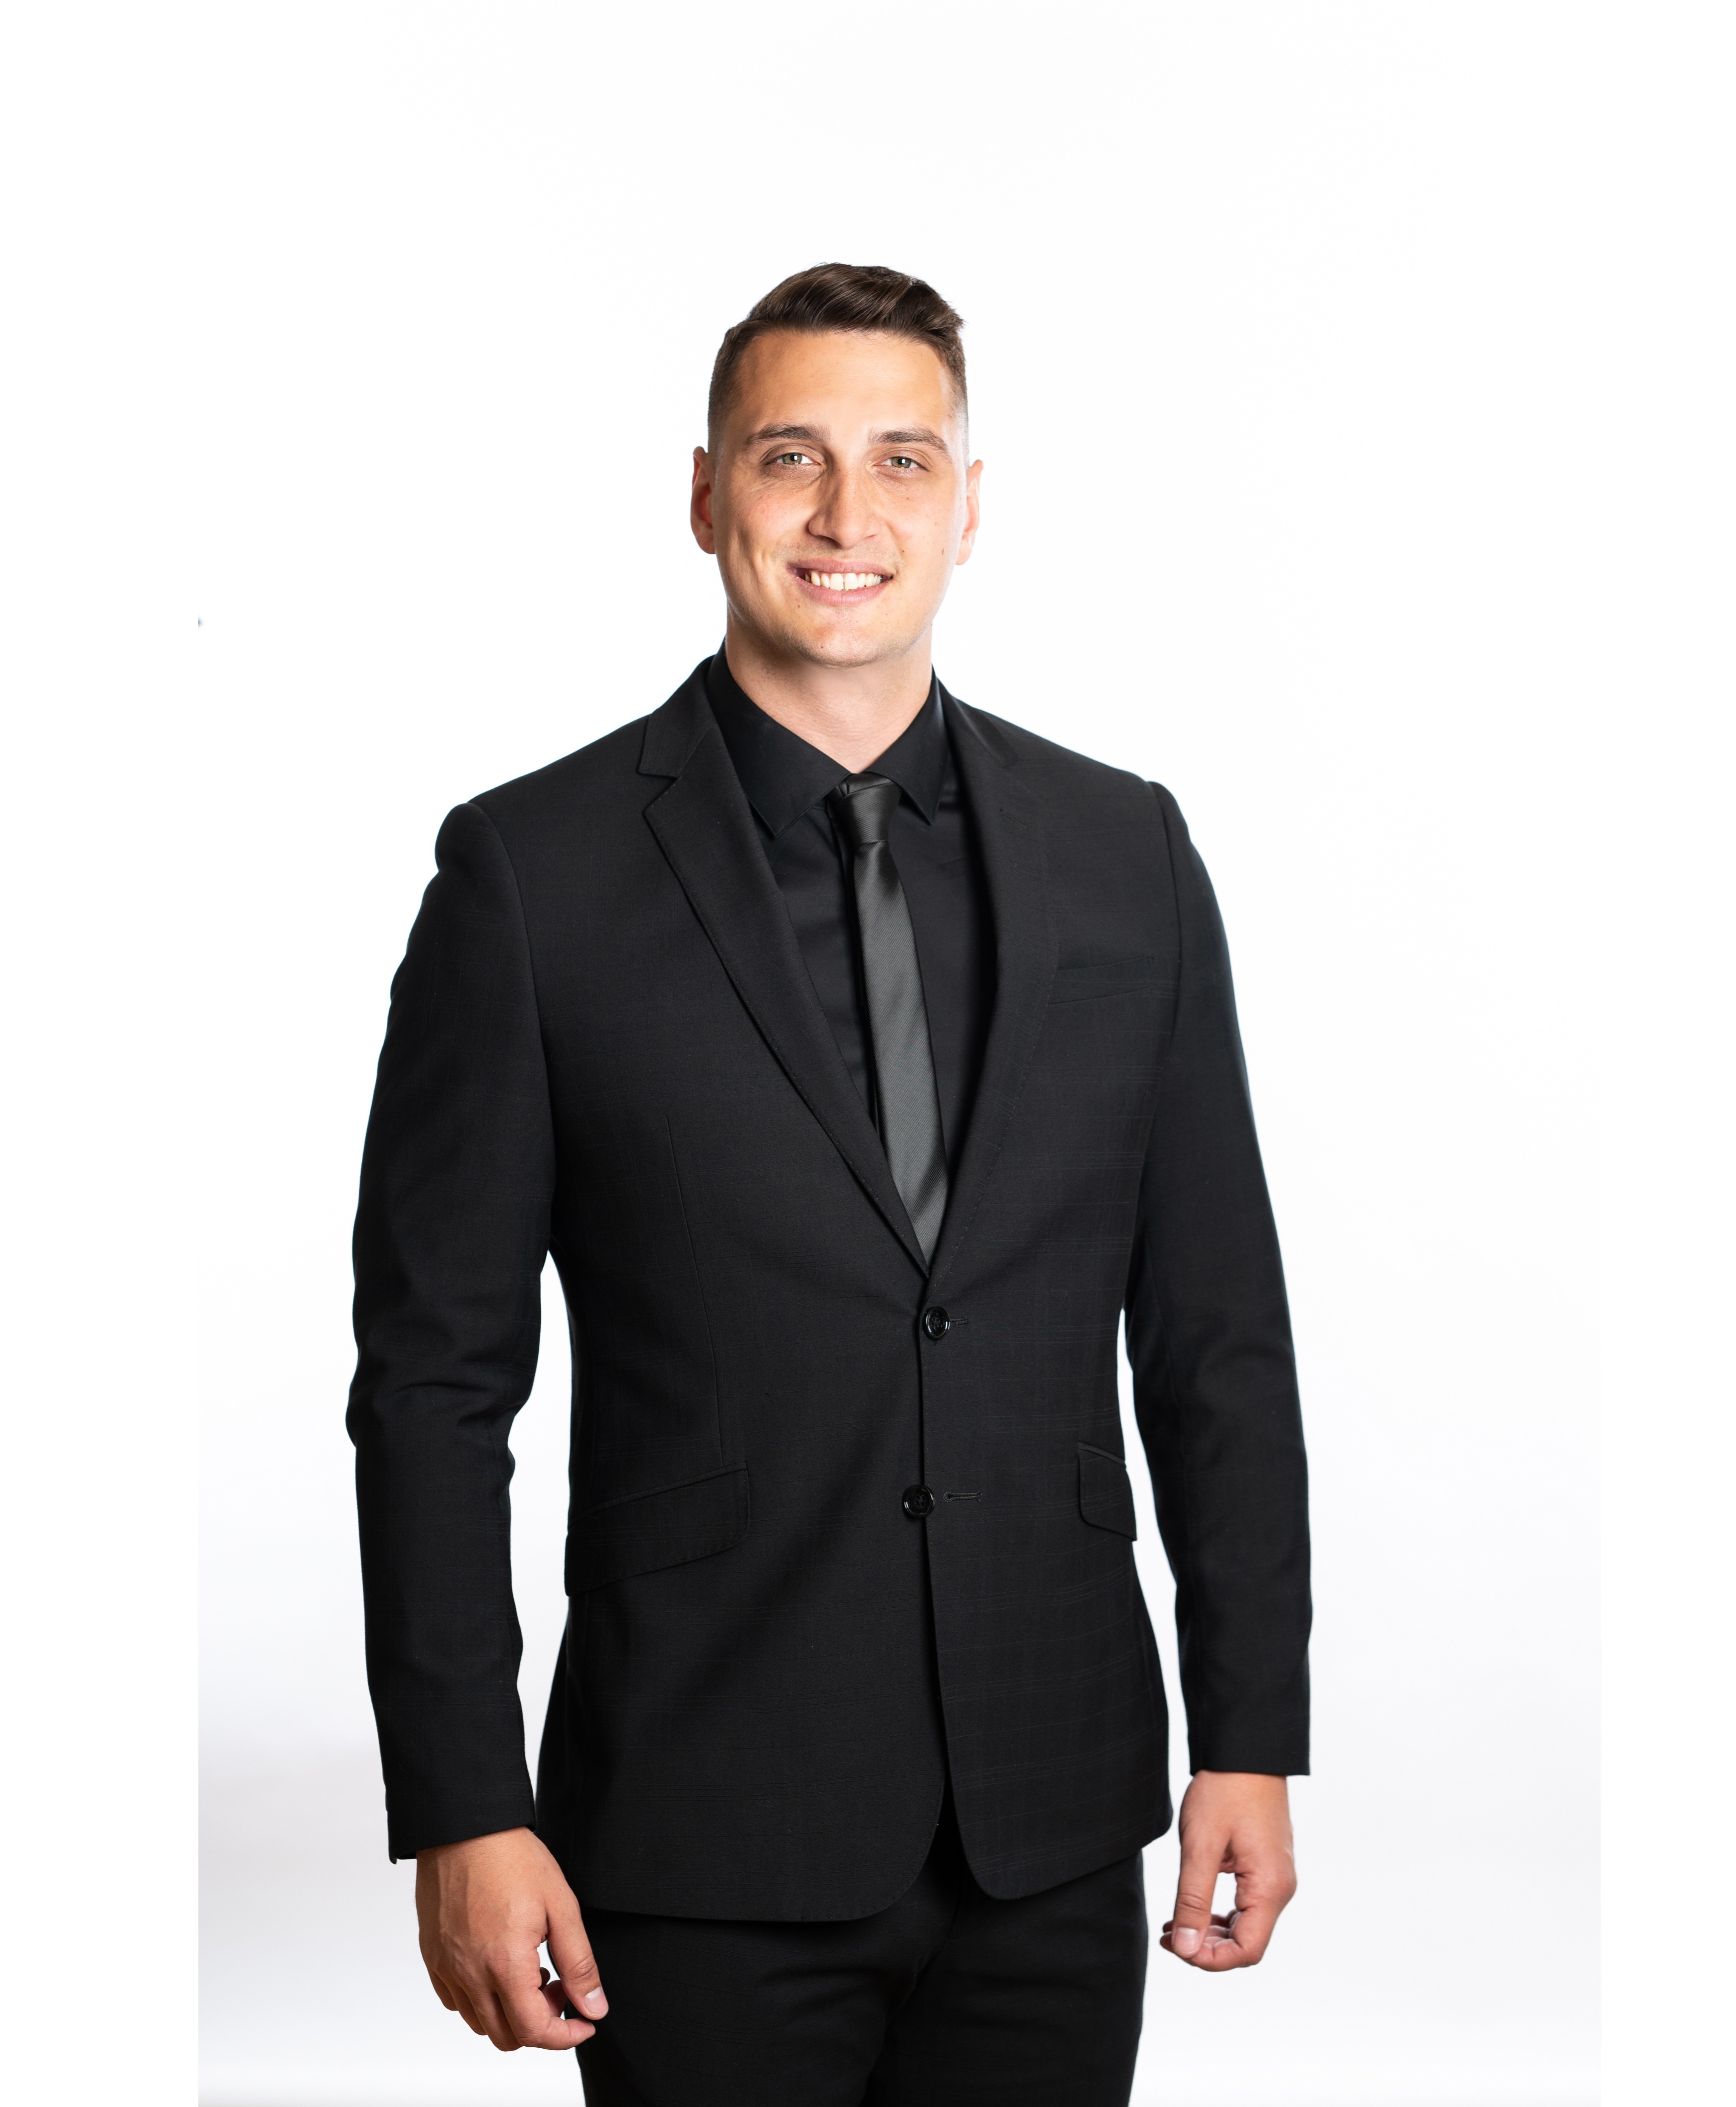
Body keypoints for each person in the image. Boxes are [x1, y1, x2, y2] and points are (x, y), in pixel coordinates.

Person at [348, 262, 1311, 2107]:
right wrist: (465, 1802)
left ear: (971, 505)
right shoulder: (531, 877)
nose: (846, 515)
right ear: (705, 493)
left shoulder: (1125, 853)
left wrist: (1248, 1728)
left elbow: (1217, 1336)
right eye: (791, 458)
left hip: (1051, 1810)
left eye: (903, 462)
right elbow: (431, 1382)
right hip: (697, 1813)